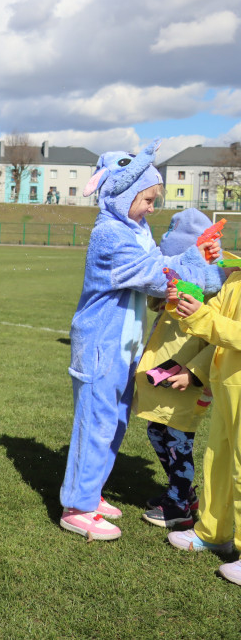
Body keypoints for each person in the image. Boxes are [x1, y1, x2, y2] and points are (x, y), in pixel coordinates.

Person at [58, 141, 221, 541]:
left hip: (121, 345)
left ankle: (91, 493)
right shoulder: (111, 233)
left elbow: (160, 268)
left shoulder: (133, 227)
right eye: (147, 199)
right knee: (95, 424)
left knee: (113, 422)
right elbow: (156, 274)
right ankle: (76, 506)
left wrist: (197, 258)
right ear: (124, 194)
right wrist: (197, 257)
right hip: (100, 343)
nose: (152, 207)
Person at [134, 209, 225, 529]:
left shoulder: (216, 293)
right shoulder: (180, 283)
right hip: (165, 371)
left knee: (178, 438)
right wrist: (163, 298)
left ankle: (180, 503)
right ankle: (182, 493)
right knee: (156, 430)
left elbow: (218, 340)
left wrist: (195, 372)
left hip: (187, 377)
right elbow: (161, 306)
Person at [167, 243, 241, 585]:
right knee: (219, 459)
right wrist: (185, 298)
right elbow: (213, 318)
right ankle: (214, 531)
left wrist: (202, 316)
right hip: (228, 385)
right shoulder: (235, 276)